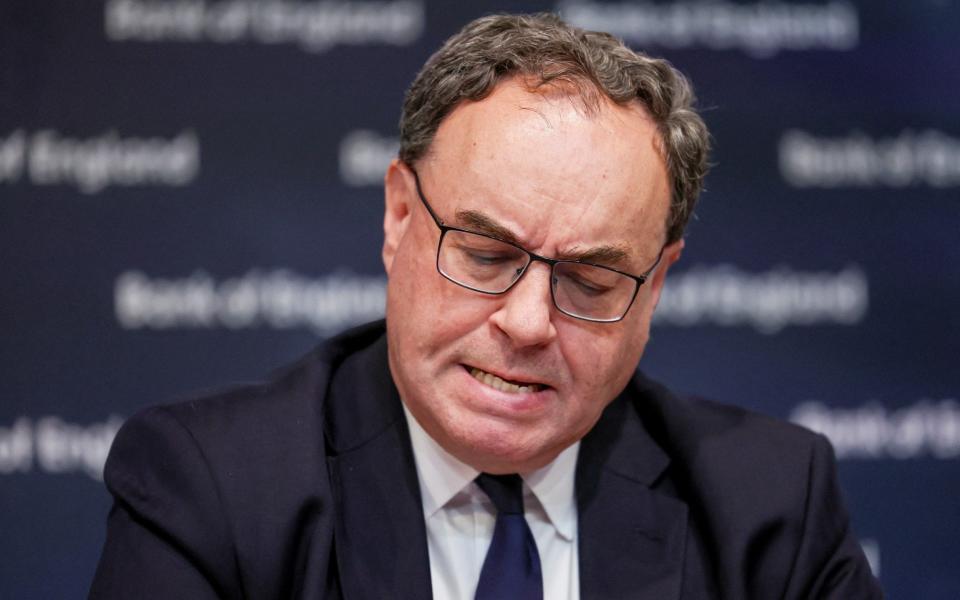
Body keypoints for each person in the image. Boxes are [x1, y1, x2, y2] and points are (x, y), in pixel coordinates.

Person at [89, 12, 882, 600]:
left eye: (590, 280)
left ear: (657, 285)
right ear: (400, 217)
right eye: (485, 255)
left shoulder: (771, 507)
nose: (529, 322)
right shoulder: (215, 489)